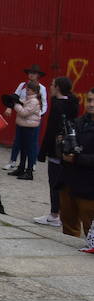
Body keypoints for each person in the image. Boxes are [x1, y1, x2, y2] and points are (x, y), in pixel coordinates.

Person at [35, 77, 78, 228]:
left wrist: (42, 152)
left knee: (54, 182)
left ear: (58, 87)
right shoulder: (72, 102)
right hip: (68, 147)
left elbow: (50, 130)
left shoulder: (58, 105)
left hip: (56, 148)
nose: (51, 86)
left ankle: (54, 214)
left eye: (53, 85)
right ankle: (63, 213)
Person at [60, 89, 94, 246]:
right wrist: (62, 146)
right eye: (89, 100)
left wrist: (77, 158)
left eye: (93, 101)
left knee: (89, 225)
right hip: (70, 180)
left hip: (89, 186)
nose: (90, 104)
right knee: (68, 224)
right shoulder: (78, 122)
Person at [5, 66, 48, 177]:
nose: (31, 75)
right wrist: (10, 106)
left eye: (34, 73)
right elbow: (15, 97)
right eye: (30, 72)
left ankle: (31, 164)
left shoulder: (41, 88)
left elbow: (44, 103)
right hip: (22, 117)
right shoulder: (22, 85)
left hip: (31, 118)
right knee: (18, 141)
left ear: (38, 75)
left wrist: (39, 114)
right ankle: (14, 162)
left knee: (31, 144)